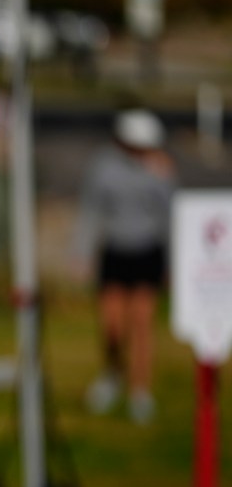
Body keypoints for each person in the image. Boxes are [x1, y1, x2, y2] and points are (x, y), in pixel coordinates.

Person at [74, 108, 174, 425]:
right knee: (112, 326)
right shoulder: (103, 167)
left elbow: (170, 216)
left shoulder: (161, 169)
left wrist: (172, 261)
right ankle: (112, 376)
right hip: (115, 251)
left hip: (148, 251)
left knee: (142, 325)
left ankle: (140, 391)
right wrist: (80, 251)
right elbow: (91, 210)